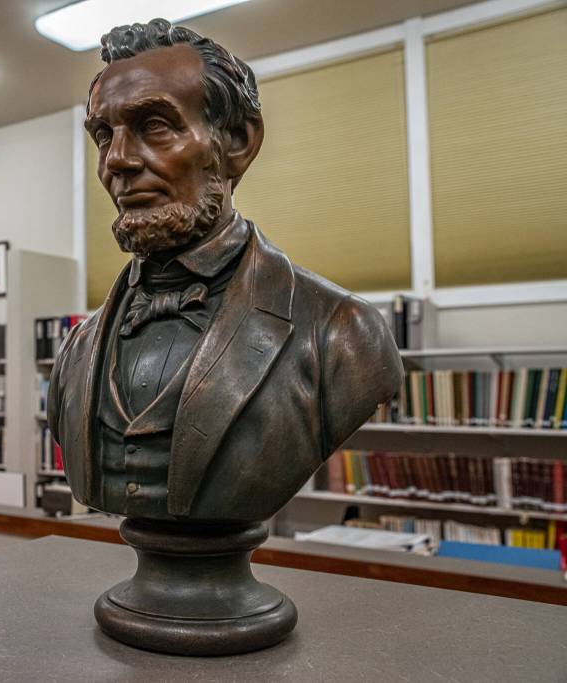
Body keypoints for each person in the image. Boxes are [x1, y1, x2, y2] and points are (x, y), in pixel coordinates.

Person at [48, 18, 402, 521]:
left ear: (236, 142)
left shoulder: (341, 334)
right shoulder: (75, 352)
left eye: (154, 126)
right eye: (104, 135)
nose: (117, 161)